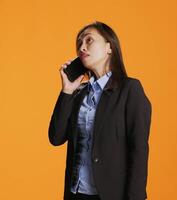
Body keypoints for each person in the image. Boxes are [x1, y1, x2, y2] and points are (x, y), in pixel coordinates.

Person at [48, 21, 152, 200]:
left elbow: (139, 151)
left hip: (110, 195)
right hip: (76, 193)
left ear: (109, 47)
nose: (82, 47)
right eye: (79, 43)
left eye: (89, 40)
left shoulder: (130, 90)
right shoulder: (79, 93)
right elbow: (56, 137)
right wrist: (67, 90)